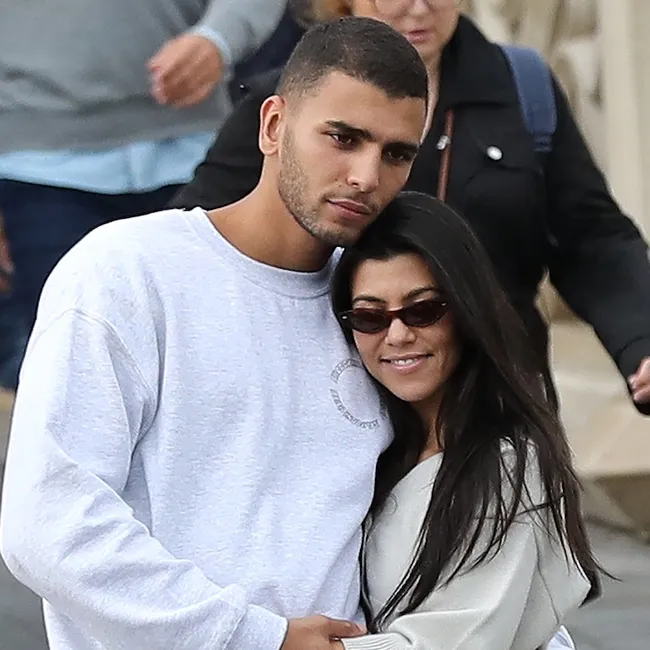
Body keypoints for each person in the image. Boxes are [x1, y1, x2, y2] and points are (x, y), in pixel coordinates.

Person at [0, 18, 429, 650]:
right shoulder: (127, 270)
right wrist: (259, 637)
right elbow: (50, 523)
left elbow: (460, 502)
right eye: (343, 138)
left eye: (396, 154)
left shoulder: (387, 310)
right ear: (273, 125)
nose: (367, 175)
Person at [170, 0, 650, 415]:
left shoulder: (522, 87)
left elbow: (592, 239)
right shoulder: (299, 104)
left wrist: (641, 342)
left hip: (498, 405)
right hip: (344, 409)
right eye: (344, 139)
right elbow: (203, 239)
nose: (419, 9)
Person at [328, 191, 599, 649]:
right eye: (370, 317)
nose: (397, 334)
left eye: (423, 310)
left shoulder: (508, 464)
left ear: (465, 310)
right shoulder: (377, 448)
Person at [0, 0, 286, 390]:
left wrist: (219, 39)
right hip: (36, 165)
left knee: (221, 365)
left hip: (195, 149)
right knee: (72, 375)